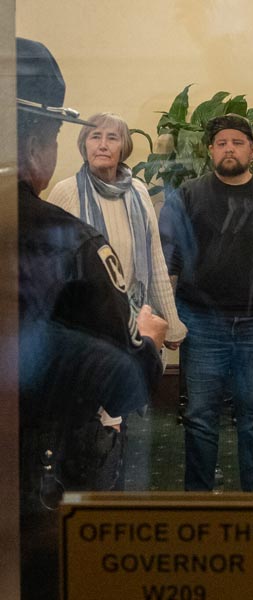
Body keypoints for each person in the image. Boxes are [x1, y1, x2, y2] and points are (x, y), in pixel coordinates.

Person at [16, 37, 168, 599]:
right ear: (39, 142)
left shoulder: (138, 199)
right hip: (36, 490)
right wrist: (149, 340)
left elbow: (152, 256)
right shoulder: (66, 239)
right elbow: (125, 383)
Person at [159, 113, 253, 492]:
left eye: (238, 142)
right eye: (222, 142)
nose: (229, 148)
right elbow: (170, 265)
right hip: (201, 324)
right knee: (199, 418)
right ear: (210, 150)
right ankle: (198, 505)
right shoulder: (188, 197)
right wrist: (172, 320)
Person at [45, 113, 188, 489]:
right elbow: (49, 266)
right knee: (90, 420)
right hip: (82, 325)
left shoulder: (138, 192)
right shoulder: (66, 192)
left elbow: (154, 259)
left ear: (124, 147)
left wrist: (170, 324)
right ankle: (86, 498)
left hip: (129, 321)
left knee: (119, 416)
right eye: (94, 137)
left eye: (111, 137)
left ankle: (112, 494)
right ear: (83, 145)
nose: (102, 144)